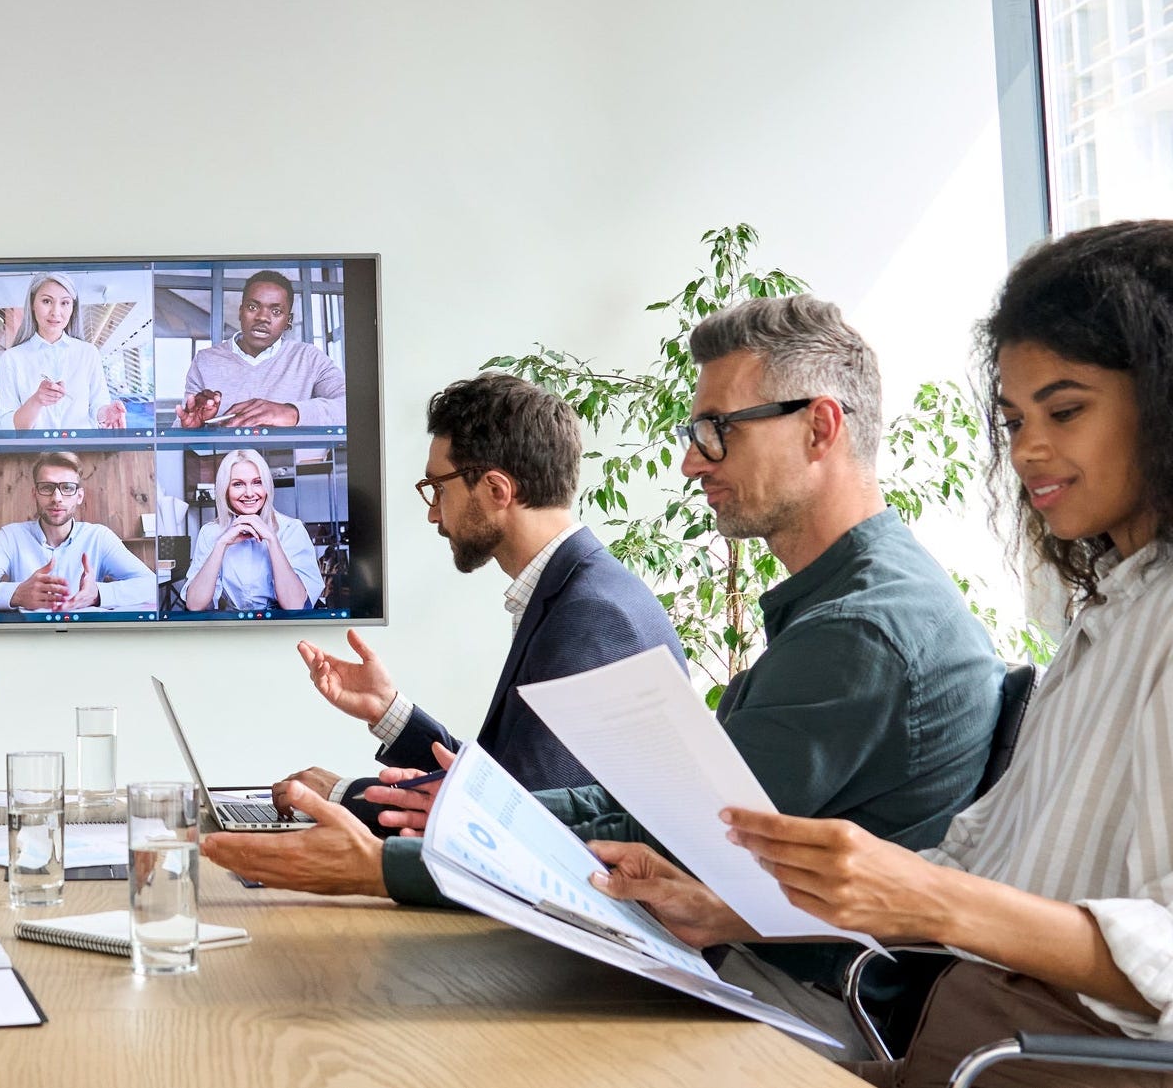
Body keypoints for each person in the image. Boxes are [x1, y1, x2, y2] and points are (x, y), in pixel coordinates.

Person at [204, 296, 1003, 1023]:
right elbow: (637, 806)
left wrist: (387, 864)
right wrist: (450, 804)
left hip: (794, 999)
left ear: (820, 427)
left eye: (717, 429)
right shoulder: (847, 604)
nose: (692, 461)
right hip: (754, 965)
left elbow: (671, 839)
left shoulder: (859, 630)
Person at [596, 221, 1173, 1086]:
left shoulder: (879, 626)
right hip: (968, 1035)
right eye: (1013, 419)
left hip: (1035, 1059)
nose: (1027, 451)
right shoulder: (1107, 619)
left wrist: (929, 897)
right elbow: (971, 868)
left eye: (1065, 409)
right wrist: (727, 910)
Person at [267, 374, 684, 830]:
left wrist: (342, 797)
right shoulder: (579, 589)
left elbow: (518, 820)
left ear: (496, 490)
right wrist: (389, 711)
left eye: (438, 488)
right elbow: (510, 784)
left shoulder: (591, 614)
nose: (432, 511)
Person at [0, 451, 155, 613]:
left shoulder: (99, 537)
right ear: (35, 494)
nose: (57, 498)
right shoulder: (11, 536)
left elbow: (150, 585)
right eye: (47, 488)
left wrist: (97, 594)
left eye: (67, 488)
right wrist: (17, 594)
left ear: (79, 496)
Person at [174, 269, 347, 428]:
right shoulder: (205, 360)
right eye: (253, 307)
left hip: (292, 463)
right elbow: (182, 424)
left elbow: (351, 407)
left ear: (288, 320)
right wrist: (193, 428)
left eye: (276, 311)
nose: (263, 317)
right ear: (240, 312)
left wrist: (291, 412)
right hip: (225, 462)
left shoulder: (309, 358)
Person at [182, 448, 324, 611]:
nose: (250, 493)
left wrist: (272, 540)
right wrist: (221, 544)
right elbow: (194, 605)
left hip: (283, 627)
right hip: (235, 627)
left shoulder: (292, 529)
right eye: (238, 484)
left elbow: (295, 606)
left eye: (257, 482)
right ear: (225, 490)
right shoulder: (210, 533)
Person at [0, 271, 126, 430]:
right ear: (33, 304)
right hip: (34, 453)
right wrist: (36, 401)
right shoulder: (12, 358)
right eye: (47, 301)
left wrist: (106, 413)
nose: (56, 312)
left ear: (72, 308)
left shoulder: (88, 353)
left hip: (82, 451)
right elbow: (6, 426)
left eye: (64, 303)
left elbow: (97, 405)